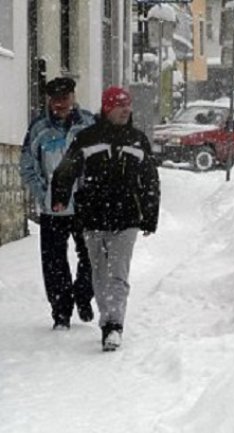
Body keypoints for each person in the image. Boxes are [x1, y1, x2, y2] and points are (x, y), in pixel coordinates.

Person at [51, 86, 161, 352]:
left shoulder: (137, 140)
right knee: (99, 275)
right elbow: (67, 169)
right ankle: (106, 320)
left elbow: (150, 180)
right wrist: (60, 196)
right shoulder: (88, 139)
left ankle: (114, 325)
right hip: (93, 217)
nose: (125, 110)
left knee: (118, 274)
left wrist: (150, 215)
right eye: (119, 105)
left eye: (128, 105)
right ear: (107, 108)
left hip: (126, 219)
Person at [20, 77, 95, 330]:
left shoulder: (89, 124)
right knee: (53, 264)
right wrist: (44, 195)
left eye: (64, 98)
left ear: (73, 97)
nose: (59, 104)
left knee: (92, 257)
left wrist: (93, 191)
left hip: (85, 205)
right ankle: (61, 312)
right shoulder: (39, 128)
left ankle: (84, 297)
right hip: (54, 209)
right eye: (54, 99)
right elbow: (28, 165)